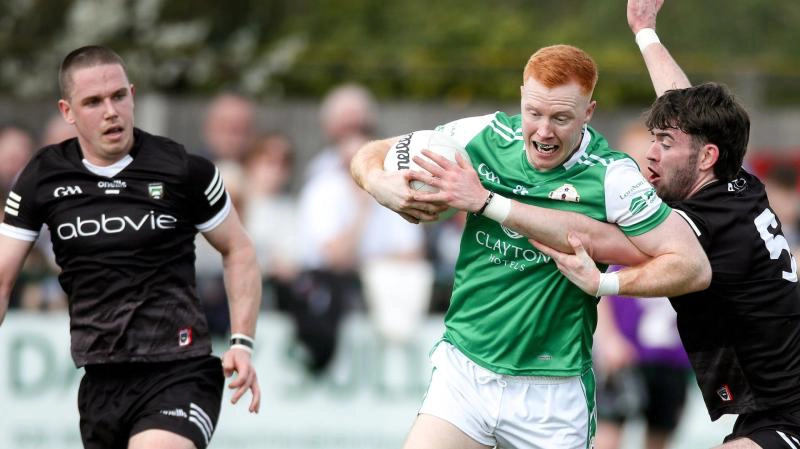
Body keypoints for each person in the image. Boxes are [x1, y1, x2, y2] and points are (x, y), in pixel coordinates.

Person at [350, 28, 709, 449]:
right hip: (466, 371)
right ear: (521, 97)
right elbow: (371, 152)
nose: (543, 131)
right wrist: (379, 184)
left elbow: (692, 265)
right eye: (533, 112)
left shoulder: (613, 178)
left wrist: (605, 283)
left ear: (589, 112)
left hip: (551, 394)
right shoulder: (482, 136)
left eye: (561, 118)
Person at [531, 1, 800, 448]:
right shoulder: (737, 181)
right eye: (653, 140)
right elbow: (687, 111)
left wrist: (490, 202)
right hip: (770, 408)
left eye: (664, 144)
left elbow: (600, 241)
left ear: (706, 157)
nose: (651, 154)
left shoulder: (697, 229)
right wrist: (645, 31)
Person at [0, 45, 261, 449]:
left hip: (180, 370)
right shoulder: (41, 178)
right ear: (67, 112)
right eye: (93, 102)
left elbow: (239, 250)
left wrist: (242, 343)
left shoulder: (183, 170)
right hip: (101, 382)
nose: (110, 111)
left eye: (119, 96)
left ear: (132, 95)